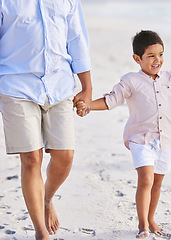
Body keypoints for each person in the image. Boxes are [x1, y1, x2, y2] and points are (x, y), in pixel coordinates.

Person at [76, 30, 171, 239]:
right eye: (151, 56)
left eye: (161, 54)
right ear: (137, 59)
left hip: (165, 141)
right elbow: (112, 99)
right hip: (140, 140)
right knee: (145, 180)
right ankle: (142, 224)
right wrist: (88, 106)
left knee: (156, 183)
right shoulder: (130, 80)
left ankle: (151, 218)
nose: (158, 60)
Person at [0, 1, 92, 240]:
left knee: (66, 156)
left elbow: (77, 39)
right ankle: (41, 233)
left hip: (59, 85)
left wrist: (87, 88)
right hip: (15, 84)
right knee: (31, 159)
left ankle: (47, 198)